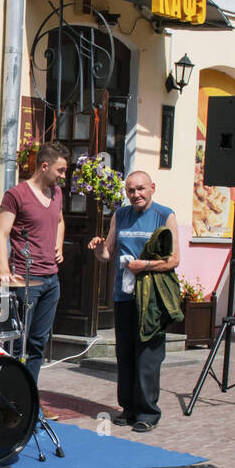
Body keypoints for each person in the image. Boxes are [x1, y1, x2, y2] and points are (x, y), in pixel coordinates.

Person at [88, 171, 180, 433]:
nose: (135, 194)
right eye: (130, 190)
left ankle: (148, 413)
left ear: (152, 188)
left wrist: (146, 265)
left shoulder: (165, 215)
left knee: (148, 355)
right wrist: (98, 249)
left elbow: (174, 260)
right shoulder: (120, 215)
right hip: (124, 295)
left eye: (140, 189)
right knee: (125, 353)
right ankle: (128, 409)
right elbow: (107, 253)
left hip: (152, 298)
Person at [0, 141, 68, 418]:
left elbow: (59, 221)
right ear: (44, 165)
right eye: (60, 170)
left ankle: (30, 401)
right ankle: (9, 402)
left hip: (52, 280)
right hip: (26, 279)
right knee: (18, 344)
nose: (63, 175)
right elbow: (2, 233)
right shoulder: (17, 195)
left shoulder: (57, 193)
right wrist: (4, 269)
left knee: (37, 344)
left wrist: (58, 245)